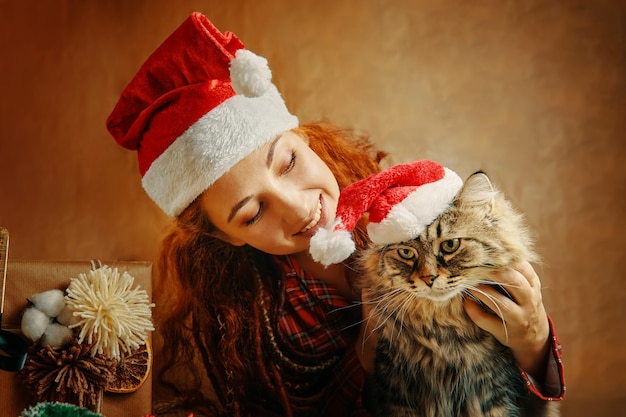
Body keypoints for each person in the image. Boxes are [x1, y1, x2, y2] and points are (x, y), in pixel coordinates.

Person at [106, 12, 565, 417]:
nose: (299, 207)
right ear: (226, 236)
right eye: (252, 213)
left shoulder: (407, 210)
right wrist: (368, 356)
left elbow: (504, 380)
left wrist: (533, 341)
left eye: (288, 163)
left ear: (305, 138)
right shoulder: (263, 316)